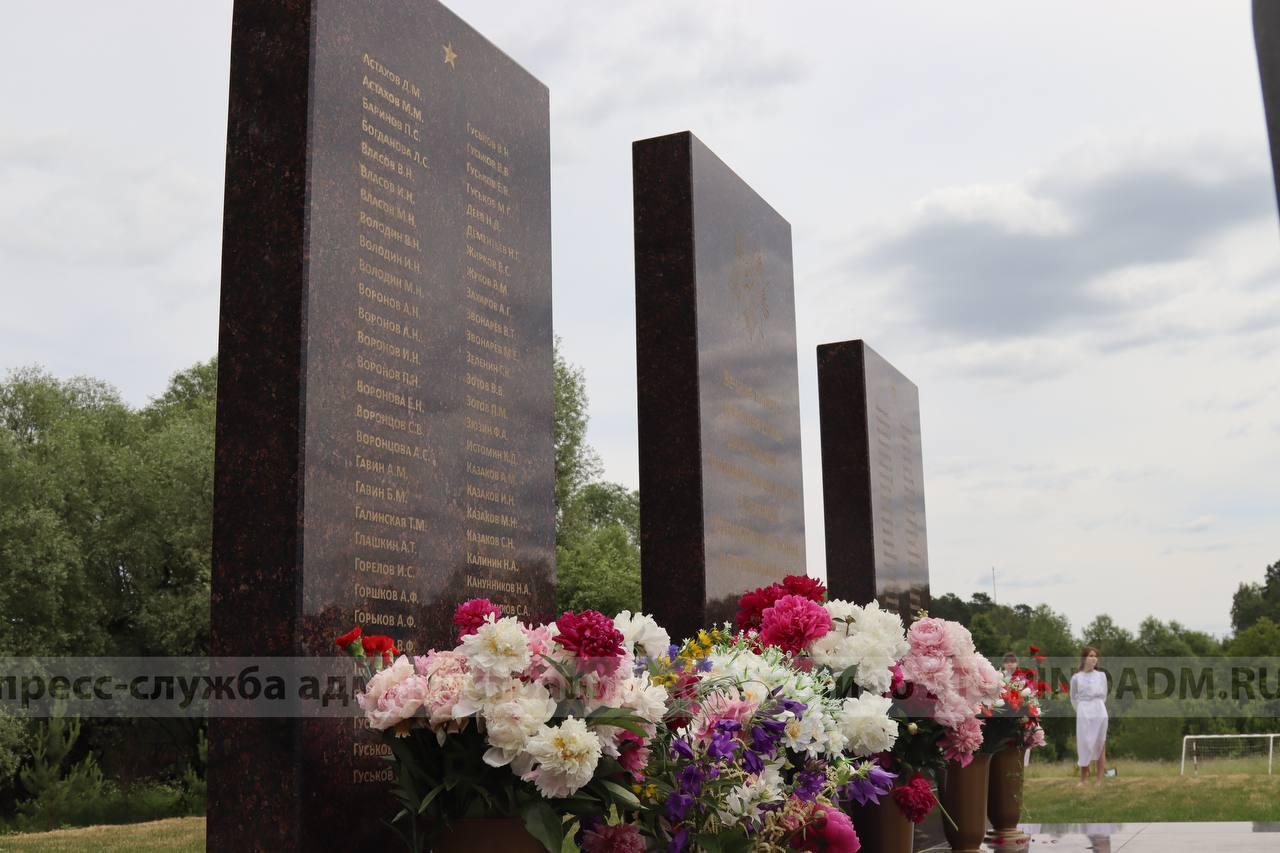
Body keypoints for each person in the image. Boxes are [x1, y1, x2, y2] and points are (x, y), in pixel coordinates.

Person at [1070, 645, 1108, 786]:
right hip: (1084, 710)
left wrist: (1097, 706)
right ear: (1084, 658)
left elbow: (1104, 695)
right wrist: (1081, 709)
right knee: (1084, 743)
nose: (1093, 658)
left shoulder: (1101, 676)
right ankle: (1083, 779)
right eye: (1091, 655)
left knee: (1100, 743)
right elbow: (1073, 697)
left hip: (1099, 709)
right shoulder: (1076, 678)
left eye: (1095, 656)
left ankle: (1099, 779)